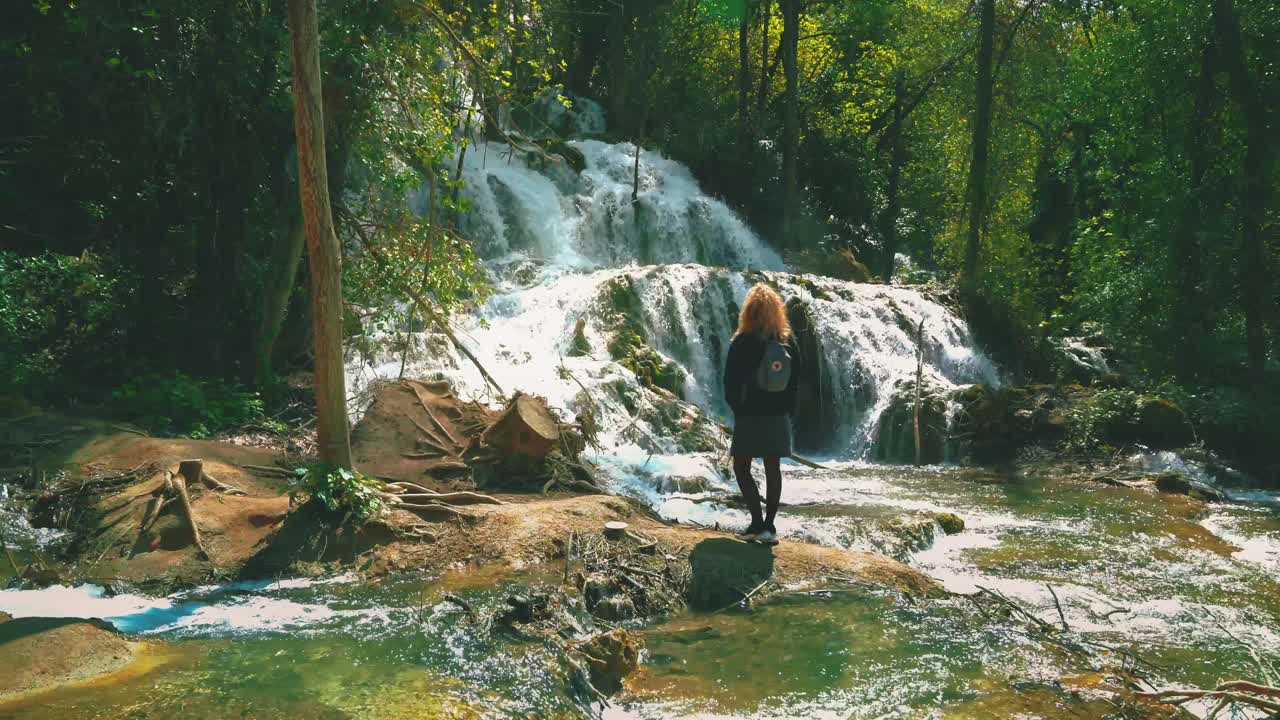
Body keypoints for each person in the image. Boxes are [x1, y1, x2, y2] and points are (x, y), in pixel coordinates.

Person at [722, 283, 801, 545]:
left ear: (749, 312)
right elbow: (796, 381)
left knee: (741, 467)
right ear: (777, 311)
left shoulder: (742, 342)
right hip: (778, 415)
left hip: (750, 414)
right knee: (772, 468)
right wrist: (788, 411)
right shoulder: (787, 343)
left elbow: (730, 380)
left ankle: (756, 522)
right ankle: (769, 527)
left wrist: (737, 407)